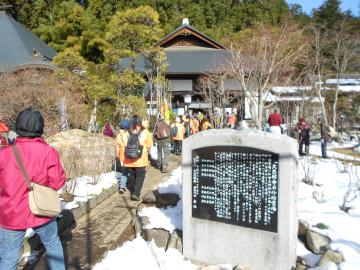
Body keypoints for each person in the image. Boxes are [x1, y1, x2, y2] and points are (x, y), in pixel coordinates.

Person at [0, 107, 66, 270]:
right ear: (40, 128)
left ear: (18, 127)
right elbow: (57, 182)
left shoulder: (3, 154)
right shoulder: (49, 152)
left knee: (9, 256)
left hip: (11, 212)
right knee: (53, 245)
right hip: (41, 210)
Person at [118, 115, 153, 201]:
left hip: (129, 159)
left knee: (133, 174)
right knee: (140, 175)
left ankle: (133, 191)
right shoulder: (145, 132)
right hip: (141, 158)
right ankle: (136, 194)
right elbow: (150, 144)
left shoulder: (125, 133)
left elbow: (120, 145)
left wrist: (121, 158)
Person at [115, 119, 130, 193]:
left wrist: (118, 156)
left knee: (125, 171)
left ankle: (122, 186)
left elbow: (117, 148)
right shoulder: (129, 134)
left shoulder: (118, 136)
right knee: (133, 170)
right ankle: (131, 184)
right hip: (130, 155)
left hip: (122, 156)